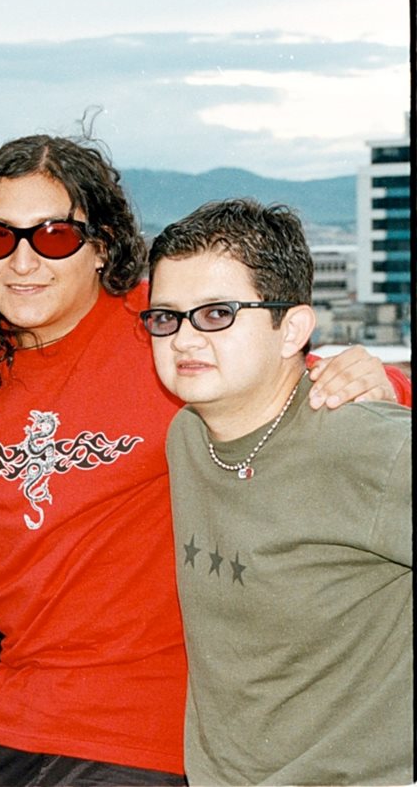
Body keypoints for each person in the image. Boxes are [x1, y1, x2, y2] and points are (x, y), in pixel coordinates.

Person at [0, 134, 409, 787]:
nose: (23, 261)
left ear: (102, 246)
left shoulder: (160, 328)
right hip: (10, 720)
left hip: (147, 734)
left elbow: (278, 371)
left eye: (54, 236)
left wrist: (382, 380)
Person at [143, 198, 412, 785]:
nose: (184, 339)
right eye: (166, 317)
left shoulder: (362, 443)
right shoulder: (187, 435)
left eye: (216, 314)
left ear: (291, 328)